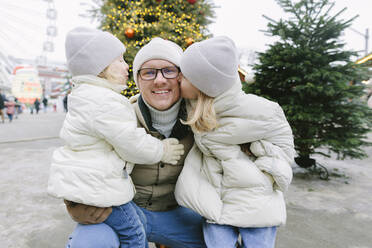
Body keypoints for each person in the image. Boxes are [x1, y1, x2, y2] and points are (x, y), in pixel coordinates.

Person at [48, 28, 184, 248]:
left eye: (169, 70)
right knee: (127, 235)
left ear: (181, 76)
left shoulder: (200, 117)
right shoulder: (109, 105)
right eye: (148, 72)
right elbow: (131, 143)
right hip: (108, 194)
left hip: (171, 214)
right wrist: (162, 150)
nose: (159, 80)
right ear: (100, 69)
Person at [174, 36, 295, 248]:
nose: (176, 79)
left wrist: (262, 159)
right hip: (217, 201)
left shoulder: (260, 110)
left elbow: (284, 148)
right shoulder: (193, 108)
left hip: (257, 200)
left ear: (202, 84)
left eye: (184, 75)